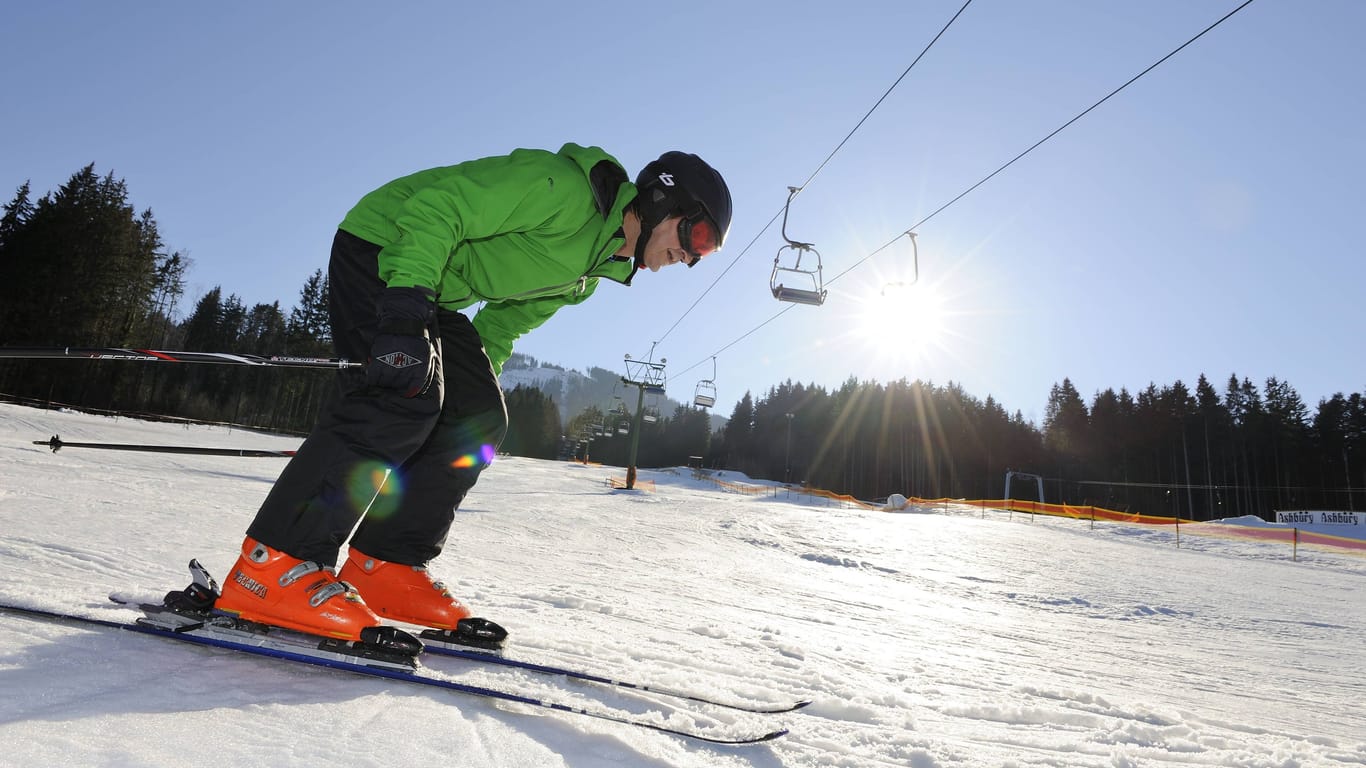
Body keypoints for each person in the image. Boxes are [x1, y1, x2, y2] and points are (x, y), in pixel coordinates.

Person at [212, 144, 732, 642]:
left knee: (477, 422)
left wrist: (469, 397)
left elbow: (500, 329)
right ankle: (274, 564)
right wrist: (403, 311)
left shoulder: (588, 274)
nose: (690, 257)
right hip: (385, 252)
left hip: (434, 291)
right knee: (398, 396)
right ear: (665, 198)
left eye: (704, 252)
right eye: (700, 236)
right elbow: (440, 207)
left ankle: (383, 565)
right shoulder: (564, 191)